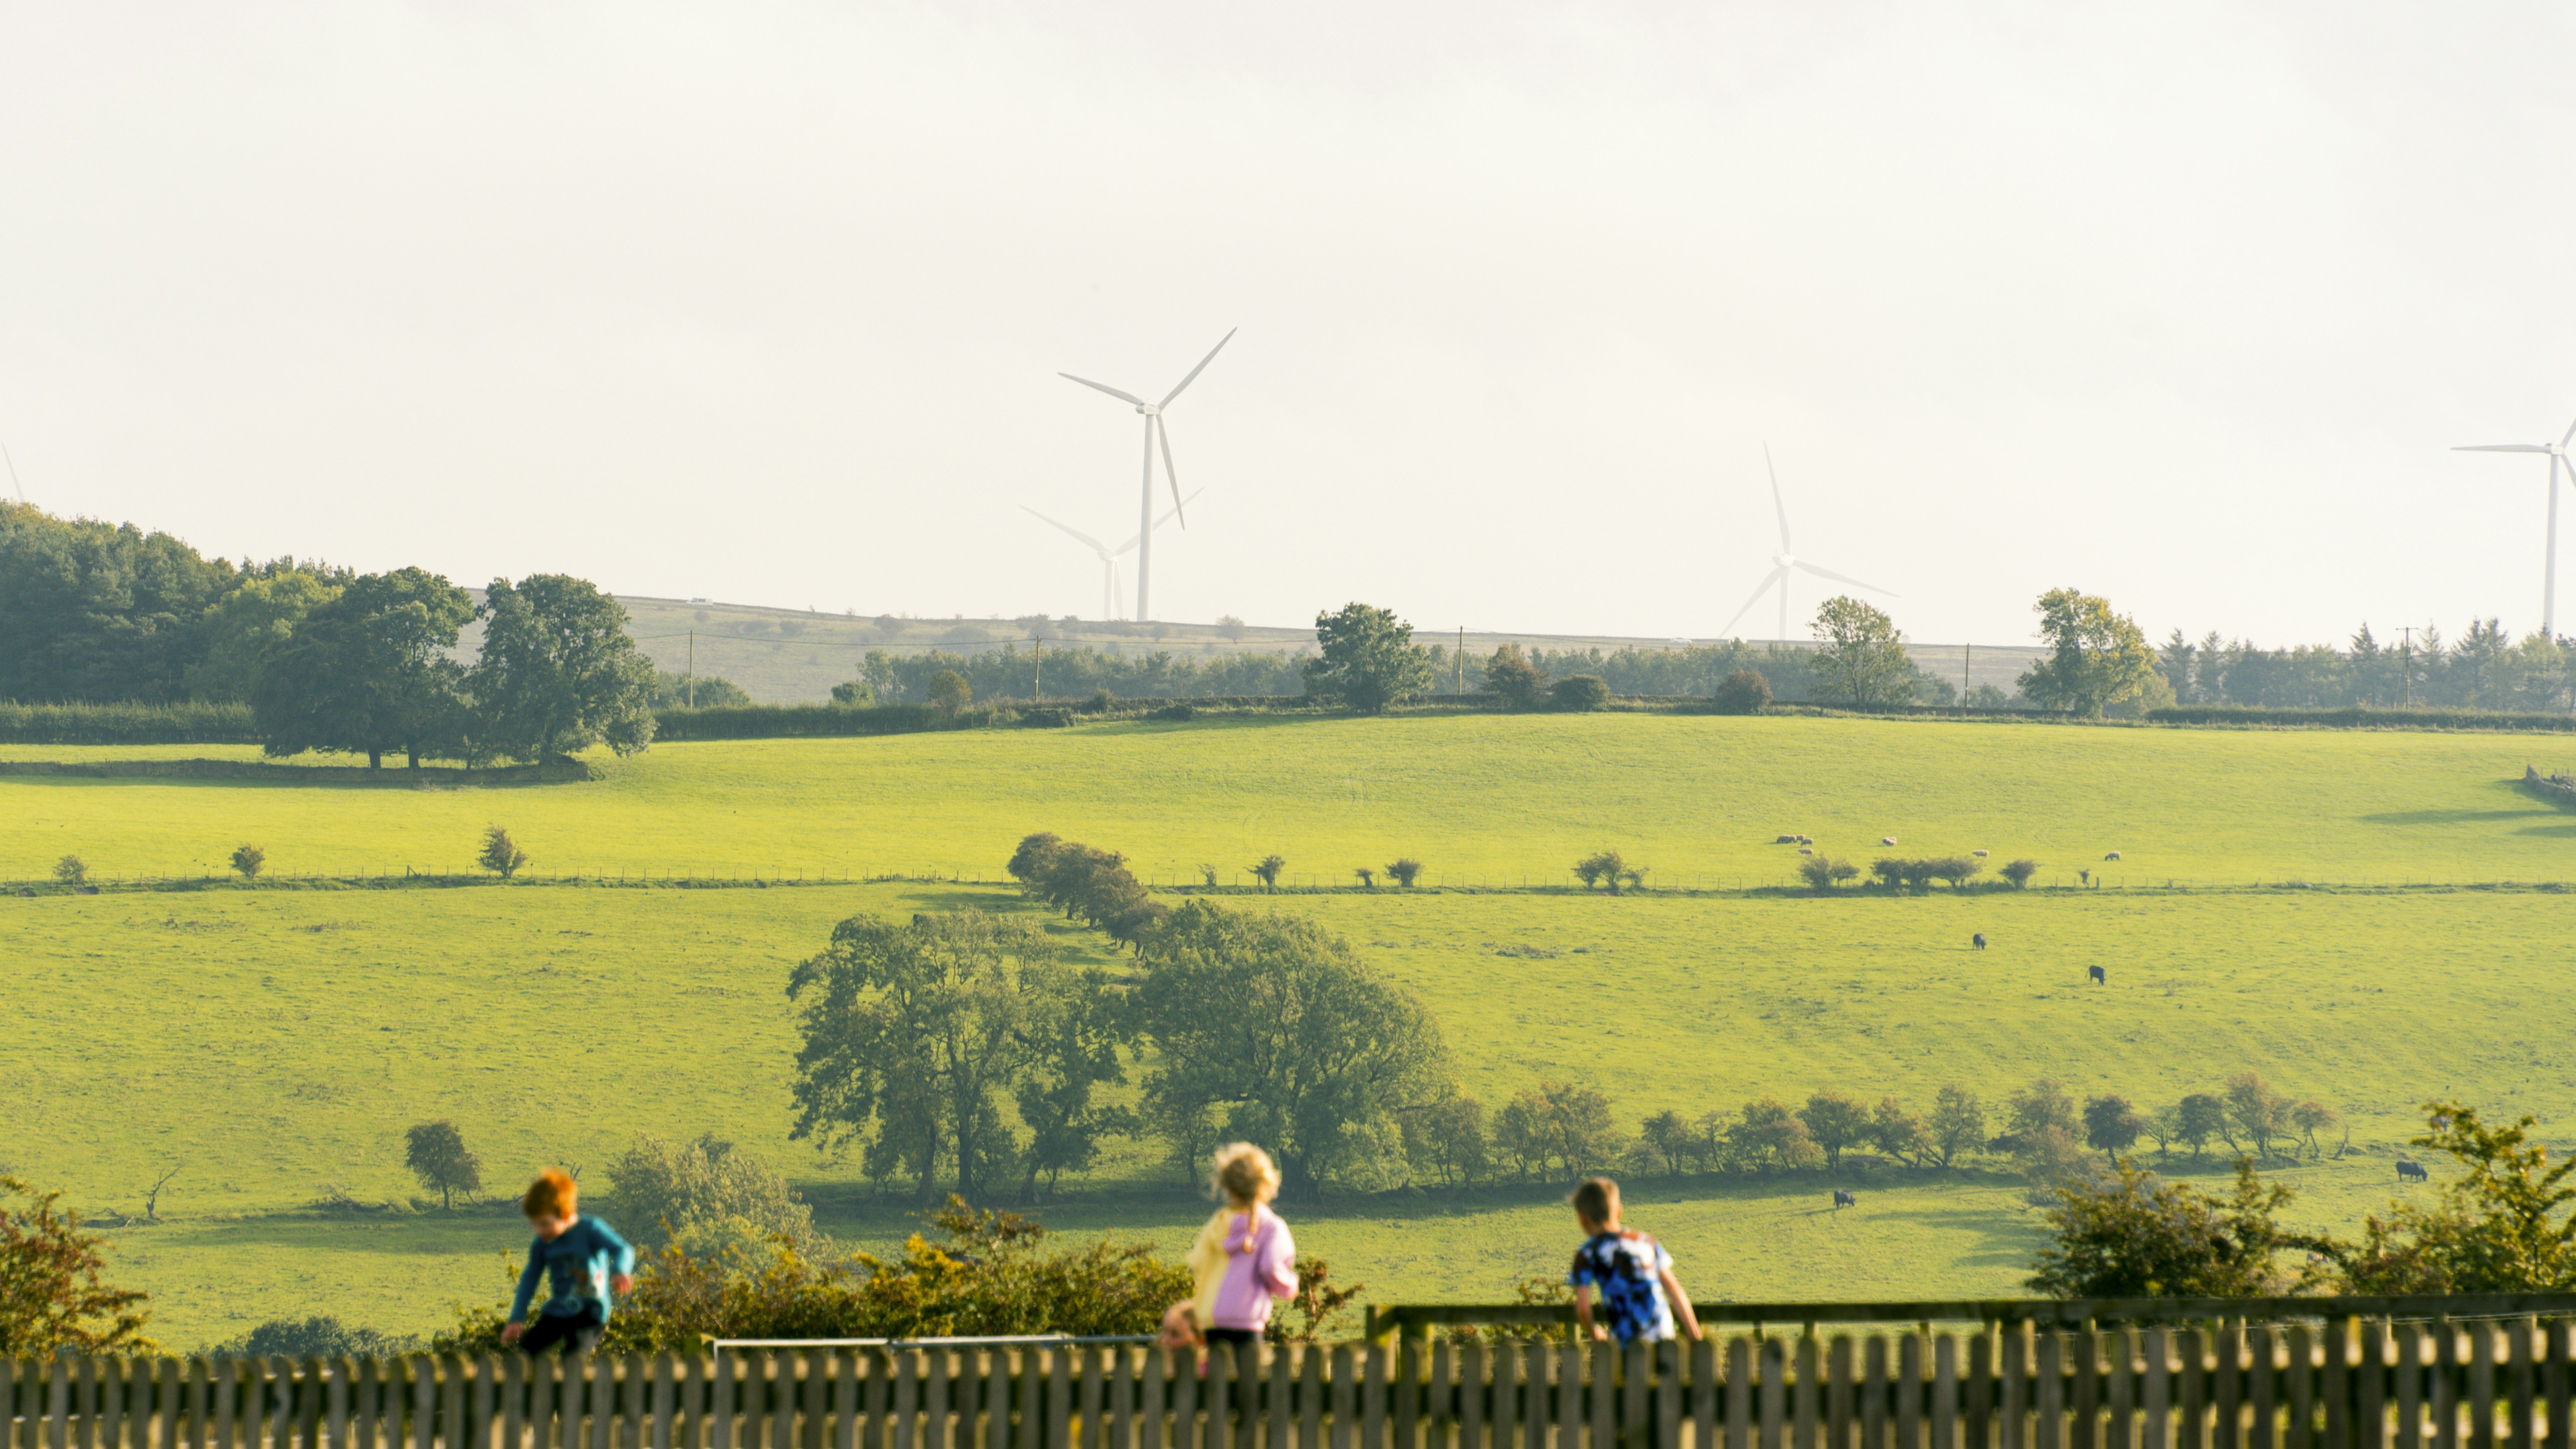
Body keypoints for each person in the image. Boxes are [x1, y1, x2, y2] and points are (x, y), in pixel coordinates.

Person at [1159, 1143, 1298, 1351]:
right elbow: (1271, 1268)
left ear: (1228, 1187)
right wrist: (1290, 1286)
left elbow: (1197, 1261)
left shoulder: (1218, 1223)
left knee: (1217, 1377)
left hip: (1211, 1318)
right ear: (1265, 1184)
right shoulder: (1271, 1227)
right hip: (1246, 1321)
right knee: (1246, 1380)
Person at [500, 1168, 636, 1355]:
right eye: (535, 1224)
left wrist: (621, 1271)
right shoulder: (542, 1244)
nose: (539, 1230)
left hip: (592, 1313)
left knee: (574, 1358)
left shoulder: (590, 1230)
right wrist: (517, 1318)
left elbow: (623, 1249)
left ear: (565, 1215)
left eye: (545, 1224)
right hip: (560, 1309)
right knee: (525, 1353)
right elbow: (529, 1279)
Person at [1566, 1176, 1703, 1344]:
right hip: (1664, 1336)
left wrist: (1594, 1333)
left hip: (1627, 1342)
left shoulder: (1587, 1254)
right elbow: (1674, 1290)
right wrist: (1694, 1334)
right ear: (1619, 1211)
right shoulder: (1645, 1242)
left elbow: (1583, 1310)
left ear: (1582, 1219)